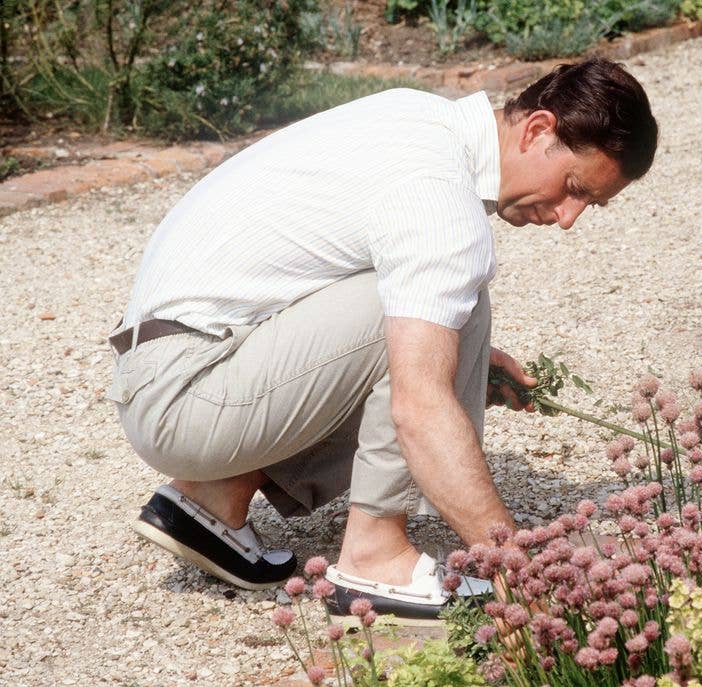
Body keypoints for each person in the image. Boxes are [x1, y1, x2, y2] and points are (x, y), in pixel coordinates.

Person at [106, 58, 658, 622]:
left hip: (166, 372)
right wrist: (519, 571)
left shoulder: (416, 116)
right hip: (186, 394)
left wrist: (465, 360)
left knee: (439, 319)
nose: (568, 217)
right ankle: (375, 553)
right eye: (573, 188)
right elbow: (419, 408)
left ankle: (215, 498)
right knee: (448, 315)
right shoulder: (441, 200)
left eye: (590, 204)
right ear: (537, 130)